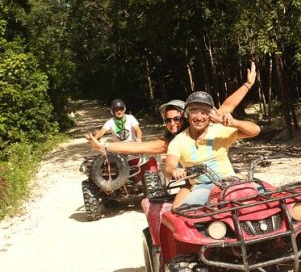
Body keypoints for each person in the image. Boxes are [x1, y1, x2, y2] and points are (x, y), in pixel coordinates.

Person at [86, 62, 257, 155]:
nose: (172, 123)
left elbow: (228, 106)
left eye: (176, 118)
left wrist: (248, 85)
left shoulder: (209, 125)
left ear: (186, 117)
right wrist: (104, 146)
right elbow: (138, 147)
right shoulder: (172, 142)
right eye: (167, 120)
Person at [164, 91, 261, 209]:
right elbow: (168, 166)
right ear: (187, 115)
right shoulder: (178, 141)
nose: (199, 117)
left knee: (268, 198)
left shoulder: (219, 130)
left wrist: (233, 122)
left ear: (210, 116)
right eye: (194, 112)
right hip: (202, 186)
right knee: (182, 213)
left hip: (230, 181)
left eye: (204, 112)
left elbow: (255, 130)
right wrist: (175, 170)